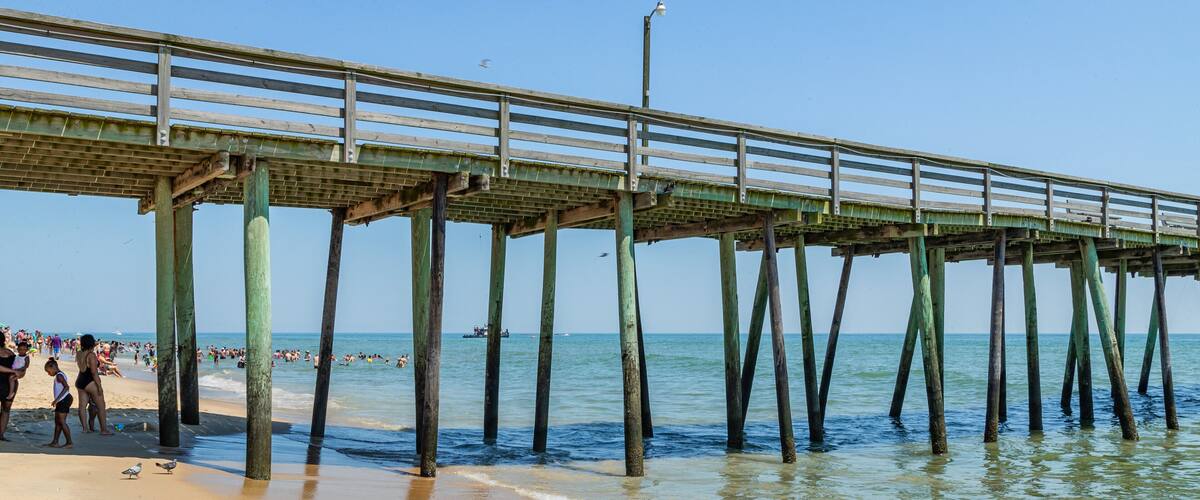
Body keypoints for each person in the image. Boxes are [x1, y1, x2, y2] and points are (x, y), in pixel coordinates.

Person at [74, 334, 111, 435]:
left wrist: (92, 343)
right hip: (90, 381)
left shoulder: (79, 353)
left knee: (82, 406)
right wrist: (99, 386)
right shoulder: (91, 355)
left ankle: (85, 429)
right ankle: (104, 430)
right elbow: (94, 372)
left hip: (80, 380)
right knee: (101, 406)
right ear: (91, 343)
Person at [0, 331, 27, 441]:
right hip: (10, 383)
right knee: (6, 410)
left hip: (6, 382)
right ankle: (1, 435)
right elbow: (21, 370)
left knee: (5, 410)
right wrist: (17, 373)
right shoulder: (11, 353)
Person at [45, 358, 73, 448]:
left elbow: (66, 387)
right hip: (63, 400)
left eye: (48, 371)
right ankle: (55, 442)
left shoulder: (59, 376)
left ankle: (69, 442)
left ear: (53, 367)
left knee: (62, 421)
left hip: (64, 400)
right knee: (57, 422)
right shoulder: (61, 374)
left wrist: (56, 400)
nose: (48, 373)